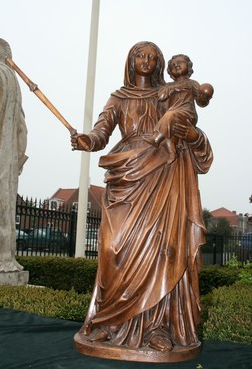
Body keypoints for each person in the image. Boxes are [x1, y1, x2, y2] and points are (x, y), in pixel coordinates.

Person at [72, 41, 213, 360]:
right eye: (141, 54)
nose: (146, 60)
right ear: (130, 60)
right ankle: (109, 320)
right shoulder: (118, 98)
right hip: (128, 177)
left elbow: (194, 134)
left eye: (153, 56)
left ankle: (158, 327)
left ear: (161, 62)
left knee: (164, 251)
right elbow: (101, 131)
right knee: (112, 249)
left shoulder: (172, 93)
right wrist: (87, 140)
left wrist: (190, 135)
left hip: (164, 177)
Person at [0, 37, 28, 274]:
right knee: (0, 206)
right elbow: (21, 127)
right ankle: (1, 256)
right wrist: (18, 157)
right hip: (4, 162)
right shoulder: (10, 80)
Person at [144, 54, 214, 163]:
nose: (176, 65)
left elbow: (200, 102)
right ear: (170, 72)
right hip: (170, 118)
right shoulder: (167, 86)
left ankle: (156, 138)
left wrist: (204, 97)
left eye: (180, 63)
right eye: (172, 65)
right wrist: (165, 92)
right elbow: (160, 98)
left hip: (186, 114)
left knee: (169, 115)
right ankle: (171, 153)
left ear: (188, 66)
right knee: (169, 137)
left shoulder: (192, 83)